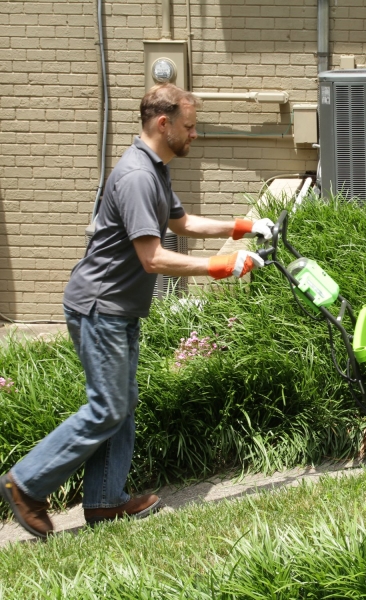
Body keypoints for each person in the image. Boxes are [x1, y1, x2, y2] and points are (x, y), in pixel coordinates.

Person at [0, 83, 273, 539]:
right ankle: (25, 483)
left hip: (119, 307)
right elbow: (153, 258)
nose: (196, 135)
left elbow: (181, 224)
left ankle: (105, 502)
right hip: (99, 306)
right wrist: (221, 266)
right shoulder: (137, 176)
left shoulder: (155, 168)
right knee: (108, 406)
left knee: (120, 405)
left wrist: (242, 226)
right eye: (190, 127)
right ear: (163, 123)